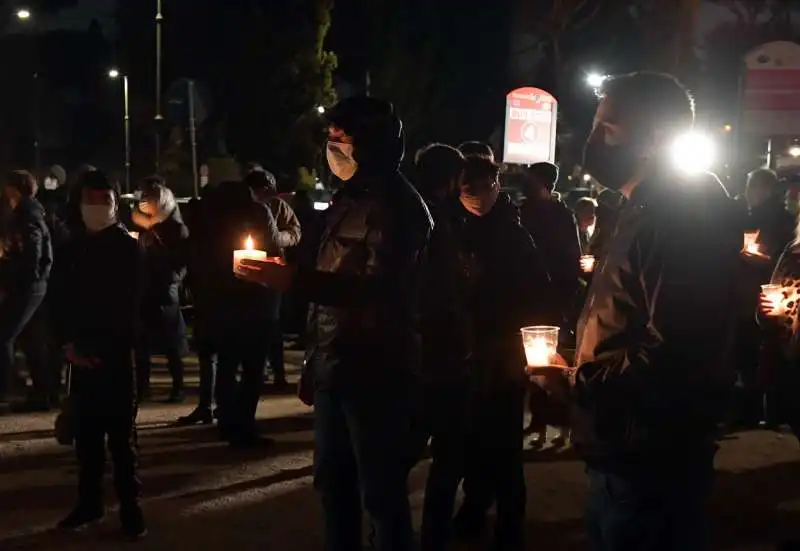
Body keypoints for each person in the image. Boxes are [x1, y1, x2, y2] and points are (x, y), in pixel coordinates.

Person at [535, 72, 741, 551]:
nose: (591, 143)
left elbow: (675, 349)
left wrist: (577, 383)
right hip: (619, 451)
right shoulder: (637, 208)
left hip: (651, 457)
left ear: (656, 139)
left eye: (607, 130)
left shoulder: (681, 217)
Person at [237, 96, 432, 551]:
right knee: (333, 485)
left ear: (371, 143)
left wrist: (294, 281)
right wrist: (314, 359)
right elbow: (328, 281)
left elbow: (381, 291)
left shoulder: (400, 207)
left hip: (377, 369)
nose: (332, 147)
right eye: (330, 138)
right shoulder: (348, 199)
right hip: (335, 364)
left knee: (381, 494)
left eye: (340, 138)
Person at [450, 155, 555, 551]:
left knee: (505, 446)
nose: (473, 196)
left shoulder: (514, 235)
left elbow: (538, 294)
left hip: (503, 355)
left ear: (496, 186)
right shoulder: (457, 230)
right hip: (468, 353)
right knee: (472, 442)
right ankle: (475, 509)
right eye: (466, 189)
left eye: (479, 188)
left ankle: (511, 525)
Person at [57, 170, 145, 540]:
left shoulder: (127, 248)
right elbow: (59, 300)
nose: (96, 206)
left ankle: (130, 509)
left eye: (103, 199)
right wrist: (69, 345)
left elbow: (134, 306)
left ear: (115, 202)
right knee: (87, 439)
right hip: (81, 357)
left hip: (115, 356)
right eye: (89, 199)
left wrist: (104, 348)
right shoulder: (72, 246)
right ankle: (89, 503)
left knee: (122, 439)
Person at [413, 143, 471, 551]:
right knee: (449, 448)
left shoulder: (408, 208)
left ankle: (392, 529)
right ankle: (433, 532)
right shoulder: (434, 219)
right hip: (438, 348)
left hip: (410, 345)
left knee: (403, 446)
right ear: (452, 179)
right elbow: (443, 290)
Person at [131, 180, 189, 403]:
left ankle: (178, 387)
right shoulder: (149, 224)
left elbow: (180, 264)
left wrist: (157, 252)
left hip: (165, 290)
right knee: (142, 342)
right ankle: (142, 387)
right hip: (146, 288)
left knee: (171, 343)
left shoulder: (176, 229)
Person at [0, 170, 53, 414]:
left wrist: (12, 267)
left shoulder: (26, 215)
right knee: (31, 341)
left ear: (16, 189)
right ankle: (42, 393)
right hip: (33, 285)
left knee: (4, 336)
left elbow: (32, 252)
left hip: (27, 286)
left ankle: (4, 391)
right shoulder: (30, 212)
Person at [244, 169, 302, 389]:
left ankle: (278, 372)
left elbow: (295, 231)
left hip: (272, 270)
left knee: (271, 323)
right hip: (245, 270)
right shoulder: (242, 209)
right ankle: (257, 371)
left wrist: (279, 238)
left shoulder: (278, 207)